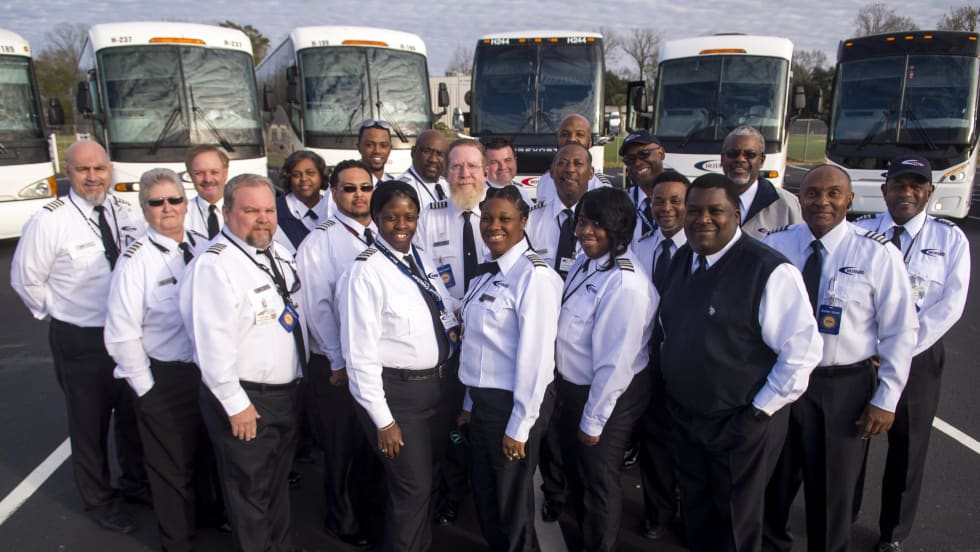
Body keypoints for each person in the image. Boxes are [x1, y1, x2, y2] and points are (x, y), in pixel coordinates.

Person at [658, 173, 821, 551]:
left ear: (735, 215)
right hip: (687, 418)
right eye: (694, 210)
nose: (702, 219)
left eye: (715, 211)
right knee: (696, 515)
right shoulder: (683, 258)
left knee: (734, 523)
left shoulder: (768, 270)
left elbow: (802, 353)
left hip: (739, 421)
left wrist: (757, 414)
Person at [762, 165, 919, 552]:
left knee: (832, 494)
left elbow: (900, 330)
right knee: (772, 484)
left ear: (850, 199)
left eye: (833, 193)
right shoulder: (775, 246)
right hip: (780, 381)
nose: (822, 201)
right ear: (800, 199)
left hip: (841, 387)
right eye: (813, 193)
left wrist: (886, 398)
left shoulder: (877, 253)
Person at [10, 140, 147, 533]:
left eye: (99, 169)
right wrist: (65, 312)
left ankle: (135, 483)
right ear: (67, 172)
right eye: (83, 170)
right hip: (82, 340)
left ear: (109, 170)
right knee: (90, 425)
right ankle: (99, 501)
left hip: (127, 336)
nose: (93, 177)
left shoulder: (126, 211)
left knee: (132, 416)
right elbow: (25, 279)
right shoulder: (49, 221)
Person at [179, 173, 308, 552]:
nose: (263, 218)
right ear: (227, 212)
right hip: (248, 399)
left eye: (269, 210)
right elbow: (210, 346)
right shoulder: (215, 266)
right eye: (251, 211)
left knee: (276, 485)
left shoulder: (275, 251)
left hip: (285, 394)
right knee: (249, 493)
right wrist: (236, 405)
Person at [853, 155, 969, 552]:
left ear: (929, 191)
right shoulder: (860, 231)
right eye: (899, 185)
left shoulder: (950, 239)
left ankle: (893, 533)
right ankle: (842, 513)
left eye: (916, 185)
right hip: (863, 356)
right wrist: (872, 348)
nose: (906, 192)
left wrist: (899, 349)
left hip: (919, 358)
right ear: (884, 190)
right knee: (852, 438)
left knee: (908, 445)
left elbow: (950, 306)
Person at [338, 181, 458, 552]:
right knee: (413, 489)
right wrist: (383, 420)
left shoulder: (419, 258)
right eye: (392, 217)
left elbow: (445, 307)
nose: (402, 225)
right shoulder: (366, 272)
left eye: (410, 217)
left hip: (438, 391)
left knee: (426, 481)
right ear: (376, 218)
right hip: (400, 398)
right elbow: (359, 355)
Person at [104, 168, 208, 551]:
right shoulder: (136, 261)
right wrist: (145, 389)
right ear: (144, 208)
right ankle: (176, 541)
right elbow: (121, 333)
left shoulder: (203, 247)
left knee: (206, 456)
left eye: (175, 199)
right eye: (157, 202)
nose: (168, 208)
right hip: (165, 377)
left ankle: (207, 521)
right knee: (170, 467)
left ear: (185, 203)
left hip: (206, 372)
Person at [458, 185, 562, 551]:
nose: (493, 226)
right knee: (487, 497)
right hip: (483, 404)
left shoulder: (534, 277)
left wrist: (519, 426)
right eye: (487, 218)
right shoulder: (487, 273)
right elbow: (477, 347)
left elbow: (537, 360)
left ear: (523, 221)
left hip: (512, 405)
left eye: (505, 218)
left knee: (511, 505)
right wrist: (469, 404)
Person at [555, 187, 657, 551]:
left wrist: (593, 421)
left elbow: (615, 365)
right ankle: (584, 534)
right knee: (578, 472)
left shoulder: (625, 283)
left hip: (605, 397)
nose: (586, 231)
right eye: (583, 221)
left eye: (597, 224)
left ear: (619, 228)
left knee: (599, 480)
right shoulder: (587, 261)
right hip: (573, 389)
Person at [294, 159, 379, 548]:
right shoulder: (320, 241)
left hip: (371, 360)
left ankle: (368, 509)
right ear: (334, 192)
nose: (359, 195)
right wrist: (337, 360)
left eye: (365, 187)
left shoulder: (380, 233)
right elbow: (317, 308)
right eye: (349, 188)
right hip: (336, 364)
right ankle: (342, 521)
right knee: (341, 445)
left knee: (368, 441)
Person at [523, 142, 594, 520]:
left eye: (578, 163)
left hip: (584, 341)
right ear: (551, 172)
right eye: (562, 163)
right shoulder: (533, 219)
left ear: (591, 172)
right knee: (547, 423)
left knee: (582, 422)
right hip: (542, 336)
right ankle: (554, 492)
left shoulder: (601, 219)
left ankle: (582, 491)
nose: (569, 169)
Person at [630, 170, 689, 540]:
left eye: (675, 201)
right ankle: (658, 511)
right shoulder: (641, 247)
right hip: (651, 361)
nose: (666, 208)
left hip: (688, 363)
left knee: (690, 445)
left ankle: (690, 512)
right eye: (658, 201)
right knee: (654, 442)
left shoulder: (700, 248)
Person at [720, 125, 801, 239]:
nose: (740, 159)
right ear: (722, 159)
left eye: (750, 155)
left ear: (761, 161)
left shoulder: (787, 204)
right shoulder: (702, 199)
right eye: (733, 154)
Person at [533, 114, 611, 204]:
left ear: (590, 143)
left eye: (580, 134)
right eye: (565, 134)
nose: (572, 139)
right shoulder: (545, 181)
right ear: (557, 140)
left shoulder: (601, 187)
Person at [276, 150, 330, 250]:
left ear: (321, 176)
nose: (304, 179)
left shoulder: (334, 209)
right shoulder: (275, 210)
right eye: (296, 175)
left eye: (310, 173)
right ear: (289, 178)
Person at [620, 130, 666, 239]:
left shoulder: (684, 198)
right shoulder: (621, 204)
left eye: (644, 154)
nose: (637, 163)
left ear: (661, 153)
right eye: (630, 159)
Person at [184, 145, 230, 239]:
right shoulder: (182, 215)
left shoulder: (242, 210)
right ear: (191, 176)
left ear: (225, 173)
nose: (208, 179)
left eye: (214, 172)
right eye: (199, 173)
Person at [398, 129, 450, 204]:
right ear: (413, 152)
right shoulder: (401, 189)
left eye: (440, 154)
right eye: (426, 152)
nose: (433, 160)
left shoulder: (448, 186)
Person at [485, 137, 533, 205]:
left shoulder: (521, 190)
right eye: (494, 162)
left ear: (515, 160)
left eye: (507, 160)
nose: (503, 167)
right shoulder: (479, 196)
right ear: (485, 165)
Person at [358, 120, 395, 184]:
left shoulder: (395, 184)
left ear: (390, 149)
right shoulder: (348, 185)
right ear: (359, 147)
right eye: (369, 145)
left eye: (383, 145)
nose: (377, 151)